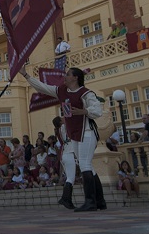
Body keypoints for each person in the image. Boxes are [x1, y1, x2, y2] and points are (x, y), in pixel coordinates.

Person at [20, 64, 106, 212]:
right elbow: (42, 87)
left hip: (87, 132)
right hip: (75, 134)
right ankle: (100, 202)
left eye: (67, 74)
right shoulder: (61, 91)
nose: (64, 77)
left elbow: (98, 109)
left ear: (75, 78)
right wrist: (26, 76)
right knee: (88, 166)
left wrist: (84, 111)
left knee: (85, 164)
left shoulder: (85, 93)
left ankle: (90, 202)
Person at [53, 116, 76, 209]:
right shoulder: (62, 128)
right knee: (71, 178)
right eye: (61, 118)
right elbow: (69, 118)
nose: (63, 118)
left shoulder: (59, 130)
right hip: (67, 153)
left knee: (70, 178)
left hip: (65, 153)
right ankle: (65, 199)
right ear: (60, 122)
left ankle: (68, 200)